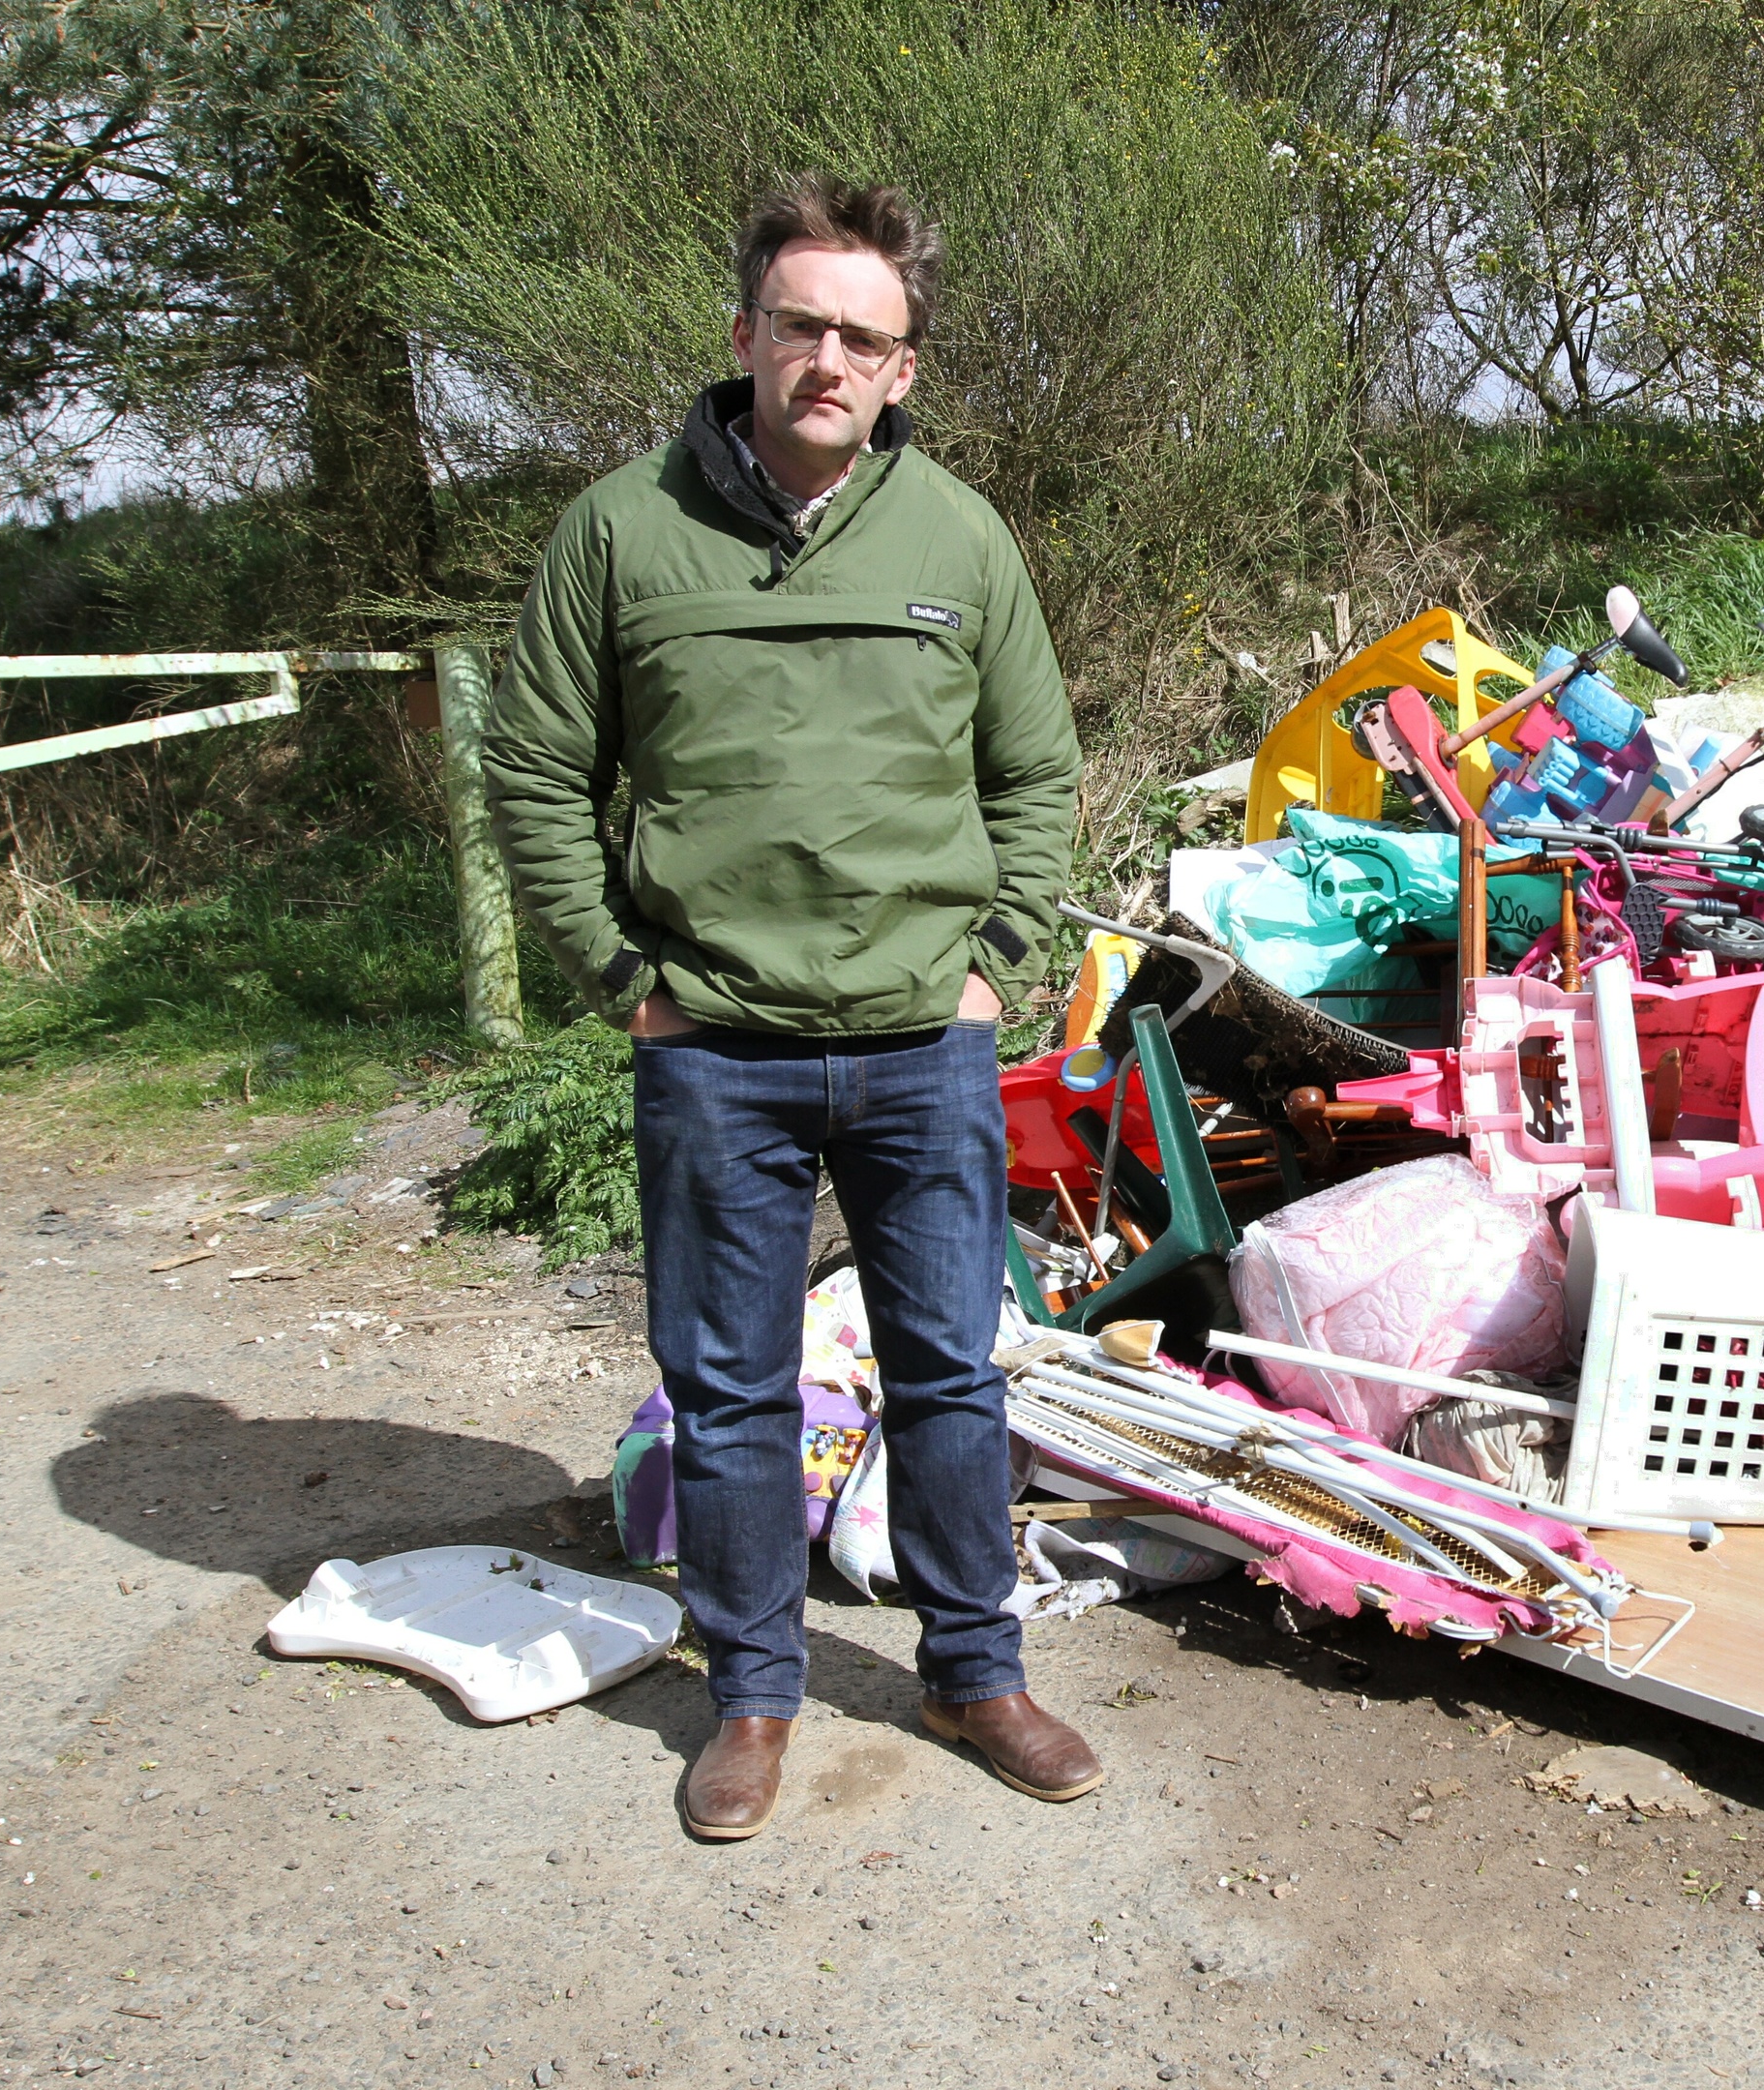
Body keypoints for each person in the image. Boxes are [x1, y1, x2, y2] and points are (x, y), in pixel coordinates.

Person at [485, 174, 1096, 1839]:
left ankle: (978, 1671)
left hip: (923, 1043)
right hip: (716, 1057)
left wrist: (998, 971)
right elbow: (537, 771)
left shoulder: (960, 536)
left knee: (955, 1375)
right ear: (747, 333)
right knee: (732, 1390)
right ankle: (751, 1691)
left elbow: (1034, 771)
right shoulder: (621, 529)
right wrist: (628, 981)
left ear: (904, 369)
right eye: (805, 324)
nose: (831, 358)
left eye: (867, 337)